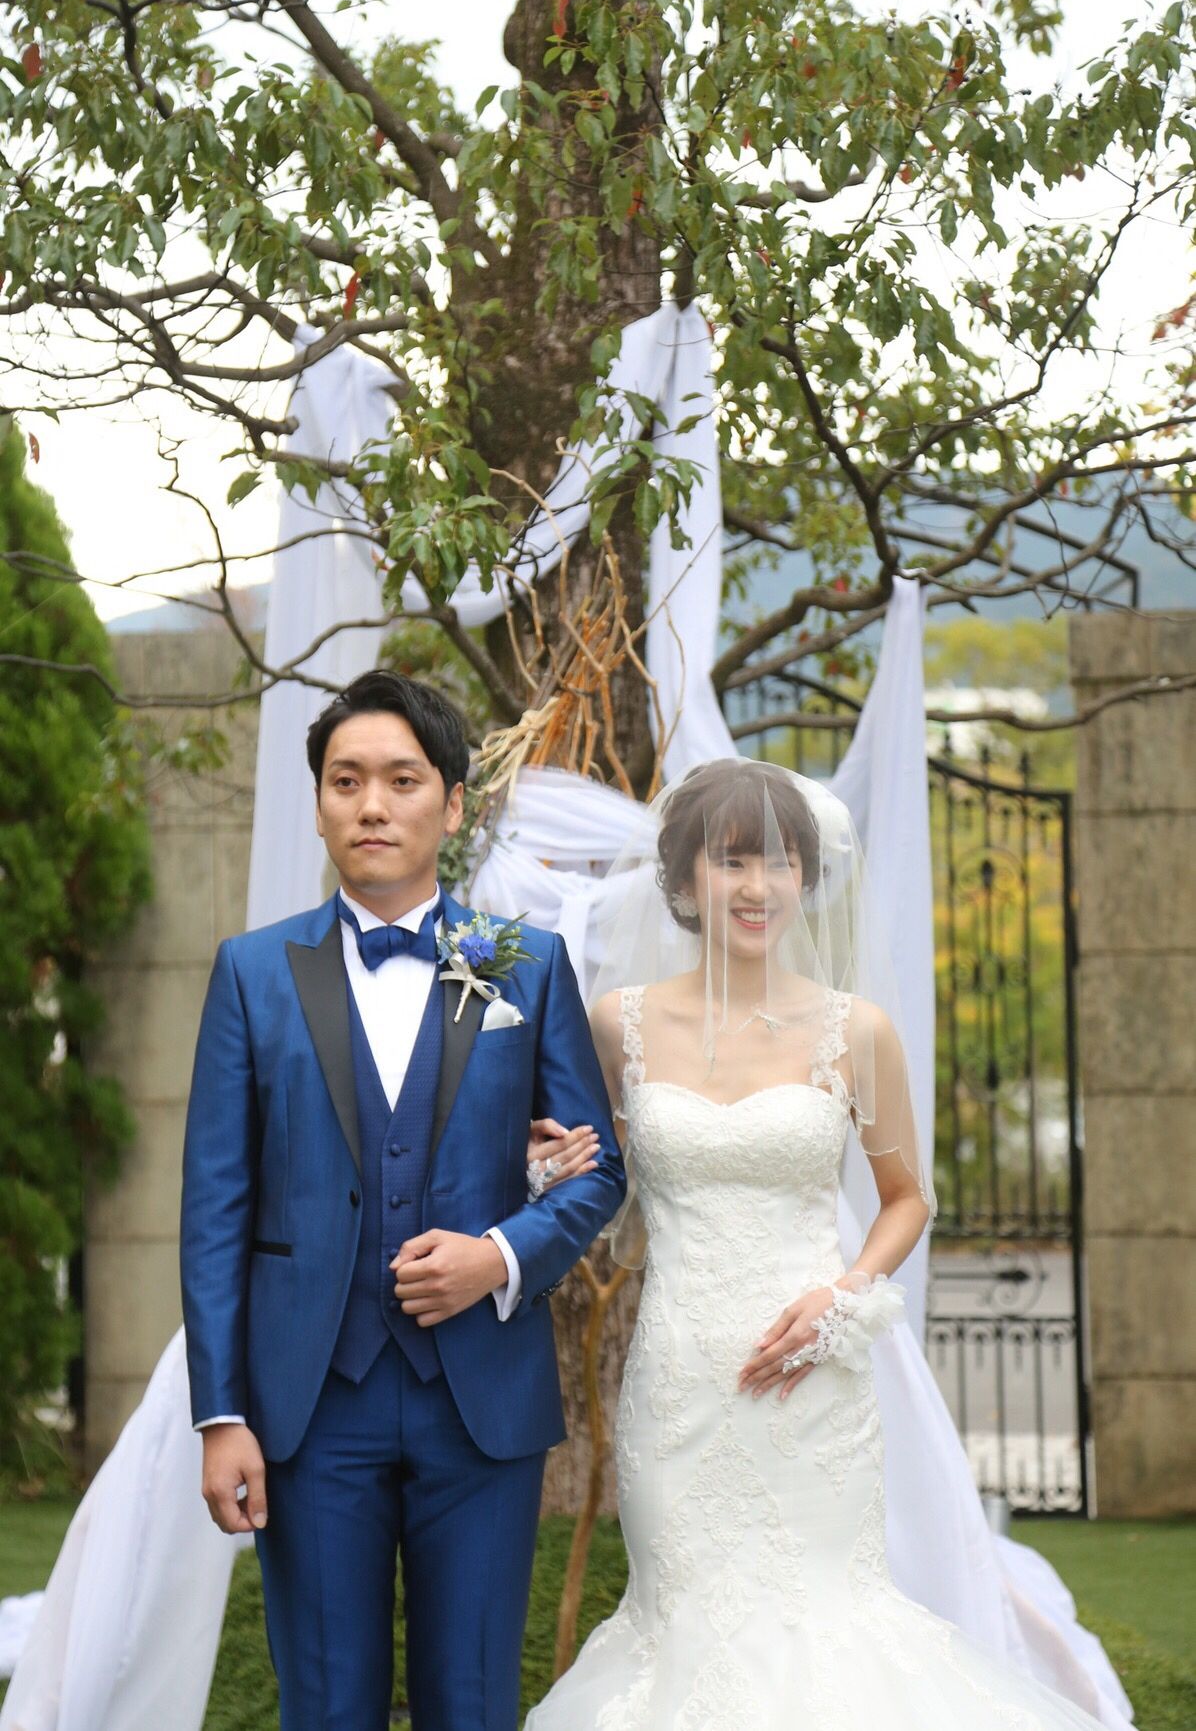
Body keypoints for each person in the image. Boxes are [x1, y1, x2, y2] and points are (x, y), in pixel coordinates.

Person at [525, 756, 1111, 1731]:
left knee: (825, 1623)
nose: (757, 885)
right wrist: (549, 1163)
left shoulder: (856, 1031)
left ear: (805, 877)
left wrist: (841, 1297)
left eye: (779, 861)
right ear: (683, 879)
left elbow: (906, 1199)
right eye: (732, 859)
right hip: (678, 1382)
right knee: (682, 1629)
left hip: (810, 1380)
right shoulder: (617, 1022)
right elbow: (598, 1175)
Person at [179, 669, 626, 1731]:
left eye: (401, 779)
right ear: (319, 803)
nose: (371, 805)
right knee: (324, 1703)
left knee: (469, 1702)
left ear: (454, 804)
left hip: (480, 1404)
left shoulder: (526, 967)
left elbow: (596, 1168)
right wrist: (221, 1413)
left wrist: (499, 1255)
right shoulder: (252, 972)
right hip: (308, 1405)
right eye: (345, 781)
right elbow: (214, 1208)